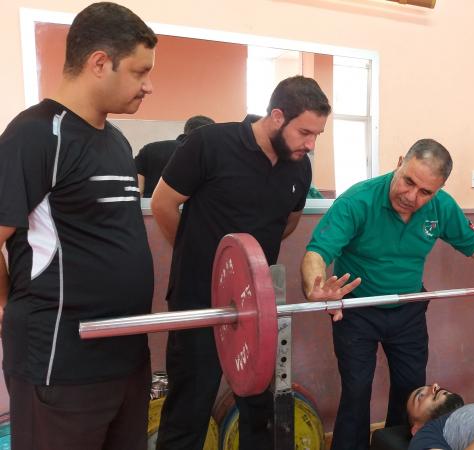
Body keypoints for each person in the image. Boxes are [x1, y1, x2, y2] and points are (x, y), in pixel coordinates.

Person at [301, 138, 474, 450]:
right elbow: (317, 252)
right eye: (408, 181)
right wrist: (318, 286)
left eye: (425, 191)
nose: (412, 196)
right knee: (357, 390)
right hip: (357, 309)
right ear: (399, 162)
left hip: (408, 308)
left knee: (410, 392)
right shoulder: (358, 200)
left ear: (438, 190)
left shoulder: (442, 207)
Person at [0, 3, 157, 449]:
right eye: (139, 71)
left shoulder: (117, 140)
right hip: (61, 366)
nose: (149, 85)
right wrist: (7, 305)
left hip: (125, 359)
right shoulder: (34, 135)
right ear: (100, 63)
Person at [150, 75, 330, 450]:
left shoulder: (298, 167)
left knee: (258, 408)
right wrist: (204, 258)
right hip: (198, 298)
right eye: (305, 132)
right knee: (190, 406)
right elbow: (163, 204)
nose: (311, 145)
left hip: (255, 307)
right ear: (277, 116)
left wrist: (247, 267)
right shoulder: (210, 144)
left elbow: (286, 222)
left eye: (317, 135)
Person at [135, 115, 214, 197]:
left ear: (186, 129)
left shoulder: (149, 149)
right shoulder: (206, 155)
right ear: (208, 133)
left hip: (149, 206)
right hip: (187, 207)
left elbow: (137, 189)